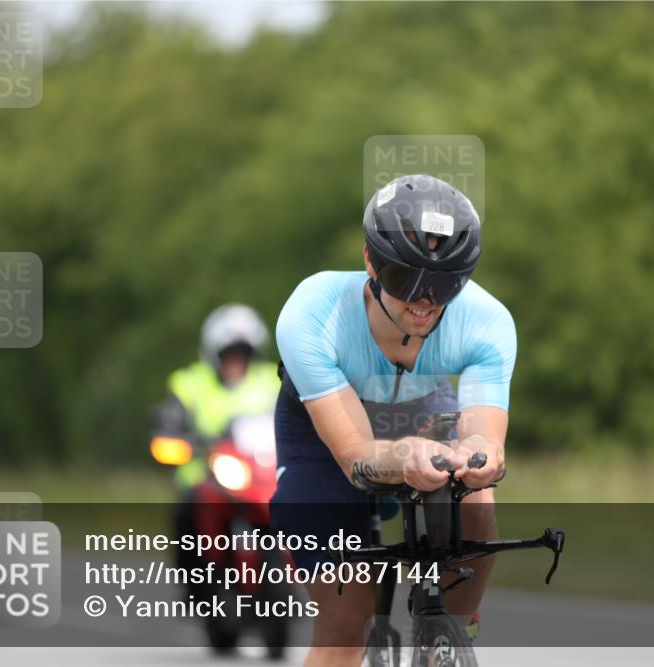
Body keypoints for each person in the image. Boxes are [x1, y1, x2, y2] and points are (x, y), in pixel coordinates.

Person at [271, 174, 514, 666]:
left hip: (426, 421)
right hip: (326, 439)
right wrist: (402, 455)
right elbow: (356, 456)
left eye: (446, 285)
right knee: (344, 629)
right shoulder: (313, 313)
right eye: (407, 280)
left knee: (478, 504)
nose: (425, 301)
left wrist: (479, 460)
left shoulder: (486, 322)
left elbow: (483, 436)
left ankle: (451, 636)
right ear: (370, 261)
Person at [152, 304, 281, 487]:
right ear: (214, 354)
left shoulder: (273, 379)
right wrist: (193, 446)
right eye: (229, 354)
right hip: (205, 480)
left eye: (243, 354)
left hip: (264, 477)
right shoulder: (190, 383)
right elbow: (165, 439)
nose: (236, 361)